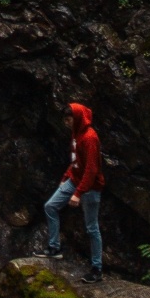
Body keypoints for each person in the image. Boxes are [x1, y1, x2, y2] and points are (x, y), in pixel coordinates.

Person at [44, 101, 105, 279]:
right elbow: (76, 161)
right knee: (50, 206)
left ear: (77, 118)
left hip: (90, 187)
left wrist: (78, 193)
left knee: (92, 228)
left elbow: (91, 170)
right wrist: (65, 177)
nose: (66, 123)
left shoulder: (89, 138)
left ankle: (97, 269)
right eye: (64, 120)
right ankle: (54, 247)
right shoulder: (76, 134)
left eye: (68, 119)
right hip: (74, 179)